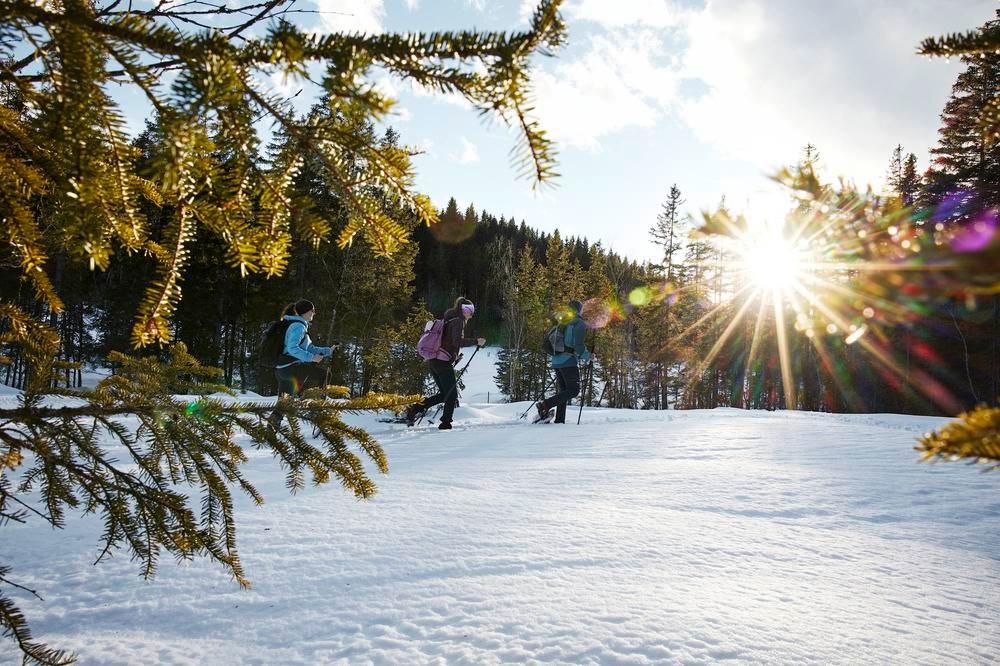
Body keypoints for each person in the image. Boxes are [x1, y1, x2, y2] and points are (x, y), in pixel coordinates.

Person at [406, 297, 485, 430]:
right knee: (451, 395)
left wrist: (453, 356)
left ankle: (415, 409)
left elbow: (447, 341)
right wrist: (476, 341)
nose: (470, 313)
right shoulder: (458, 321)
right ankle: (445, 423)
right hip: (442, 362)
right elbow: (456, 341)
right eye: (468, 310)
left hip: (434, 361)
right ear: (462, 310)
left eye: (471, 310)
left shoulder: (449, 319)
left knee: (445, 394)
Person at [268, 299, 337, 428]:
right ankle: (317, 411)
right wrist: (311, 358)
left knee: (285, 401)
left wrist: (328, 351)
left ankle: (271, 427)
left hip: (281, 369)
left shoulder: (294, 324)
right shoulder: (298, 326)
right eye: (313, 310)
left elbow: (309, 348)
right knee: (325, 375)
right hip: (291, 368)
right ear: (306, 312)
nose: (314, 313)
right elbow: (292, 348)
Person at [537, 299, 591, 424]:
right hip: (568, 361)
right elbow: (578, 345)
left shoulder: (562, 321)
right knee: (573, 390)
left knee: (564, 391)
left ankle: (560, 420)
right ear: (579, 310)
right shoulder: (578, 323)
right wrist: (588, 356)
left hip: (556, 360)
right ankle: (545, 405)